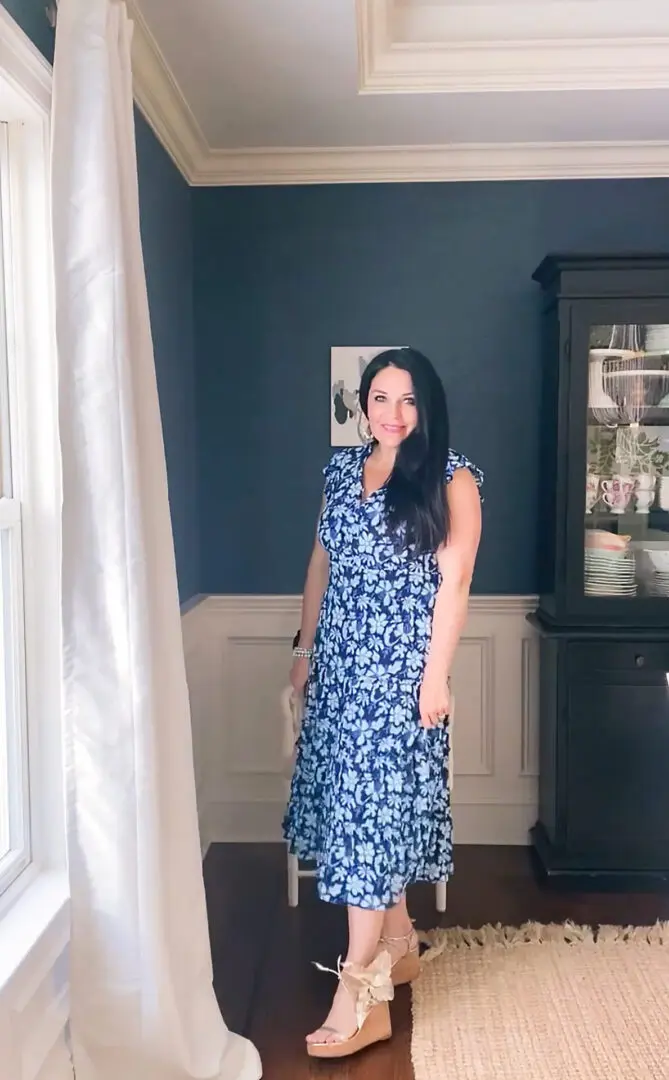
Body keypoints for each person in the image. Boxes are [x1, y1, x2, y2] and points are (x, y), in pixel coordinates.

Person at [283, 347, 483, 1059]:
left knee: (371, 822)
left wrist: (436, 676)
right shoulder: (341, 471)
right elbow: (320, 564)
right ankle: (397, 941)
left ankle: (359, 991)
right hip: (338, 671)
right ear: (361, 405)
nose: (392, 414)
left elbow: (453, 587)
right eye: (379, 399)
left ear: (425, 406)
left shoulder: (452, 478)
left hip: (399, 679)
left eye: (406, 400)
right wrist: (304, 650)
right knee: (355, 813)